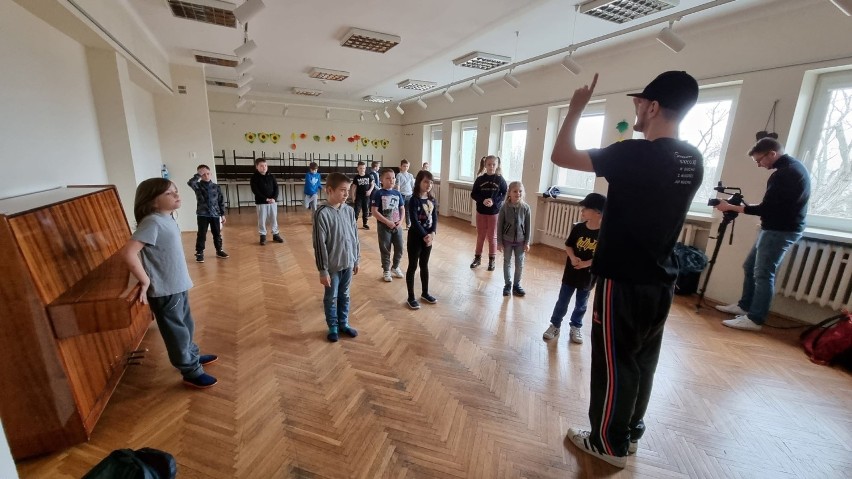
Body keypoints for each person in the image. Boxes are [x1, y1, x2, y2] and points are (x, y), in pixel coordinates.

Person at [551, 71, 703, 468]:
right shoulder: (693, 159)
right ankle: (630, 433)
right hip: (661, 279)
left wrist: (575, 110)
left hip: (623, 279)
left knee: (614, 361)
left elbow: (560, 156)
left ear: (653, 107)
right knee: (642, 360)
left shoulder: (633, 153)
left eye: (639, 102)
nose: (634, 108)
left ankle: (608, 443)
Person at [119, 178, 218, 389]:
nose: (176, 195)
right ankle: (190, 370)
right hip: (164, 289)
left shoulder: (167, 218)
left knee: (186, 325)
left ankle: (191, 356)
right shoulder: (152, 222)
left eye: (176, 191)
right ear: (153, 202)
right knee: (177, 332)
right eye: (169, 193)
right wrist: (145, 281)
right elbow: (128, 253)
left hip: (177, 285)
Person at [714, 137, 810, 331]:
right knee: (750, 267)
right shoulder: (792, 169)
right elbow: (774, 206)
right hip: (774, 228)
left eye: (759, 160)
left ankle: (755, 318)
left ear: (772, 154)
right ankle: (745, 306)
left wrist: (731, 207)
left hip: (780, 231)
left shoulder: (786, 174)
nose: (759, 165)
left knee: (763, 274)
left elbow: (766, 209)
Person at [543, 192, 605, 344]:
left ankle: (576, 326)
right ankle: (555, 325)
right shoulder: (578, 228)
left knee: (581, 304)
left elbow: (602, 256)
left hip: (587, 276)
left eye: (586, 208)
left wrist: (585, 264)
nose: (582, 211)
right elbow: (568, 245)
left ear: (597, 212)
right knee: (562, 301)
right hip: (571, 274)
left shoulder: (604, 234)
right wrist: (572, 257)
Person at [312, 172, 360, 343]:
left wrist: (356, 259)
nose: (347, 194)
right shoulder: (321, 213)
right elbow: (319, 244)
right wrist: (322, 270)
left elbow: (355, 236)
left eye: (348, 190)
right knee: (331, 297)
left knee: (345, 295)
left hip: (348, 263)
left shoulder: (349, 210)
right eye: (342, 190)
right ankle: (332, 326)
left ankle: (343, 323)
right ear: (329, 190)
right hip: (332, 267)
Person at [405, 170, 438, 310]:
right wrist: (425, 235)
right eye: (426, 182)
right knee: (413, 266)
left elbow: (435, 218)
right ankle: (411, 297)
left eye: (431, 182)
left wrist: (433, 234)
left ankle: (425, 293)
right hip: (416, 238)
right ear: (419, 182)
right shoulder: (413, 200)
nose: (429, 185)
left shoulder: (432, 200)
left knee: (424, 265)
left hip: (428, 238)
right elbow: (414, 221)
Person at [469, 155, 507, 271]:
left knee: (492, 237)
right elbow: (473, 194)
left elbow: (504, 194)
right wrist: (483, 200)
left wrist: (494, 201)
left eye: (493, 164)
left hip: (494, 212)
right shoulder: (480, 179)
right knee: (481, 236)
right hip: (481, 211)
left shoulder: (500, 180)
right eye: (489, 164)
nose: (491, 166)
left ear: (497, 165)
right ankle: (477, 258)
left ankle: (492, 260)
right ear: (485, 165)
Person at [371, 168, 406, 283]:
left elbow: (402, 208)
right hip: (384, 227)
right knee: (385, 249)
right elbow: (374, 211)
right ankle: (386, 269)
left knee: (400, 247)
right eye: (388, 178)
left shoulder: (397, 193)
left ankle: (395, 267)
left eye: (393, 178)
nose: (391, 180)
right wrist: (387, 222)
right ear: (381, 180)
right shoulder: (378, 193)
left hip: (397, 226)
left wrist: (400, 222)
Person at [497, 181, 531, 297]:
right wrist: (499, 242)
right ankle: (507, 284)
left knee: (519, 263)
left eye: (520, 191)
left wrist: (527, 242)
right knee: (507, 262)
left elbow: (528, 227)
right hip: (507, 241)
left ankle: (516, 285)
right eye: (515, 191)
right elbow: (500, 225)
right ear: (509, 193)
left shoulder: (526, 208)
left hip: (520, 242)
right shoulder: (504, 207)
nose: (518, 193)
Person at [187, 164, 228, 262]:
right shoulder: (197, 186)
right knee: (202, 234)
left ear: (211, 174)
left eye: (208, 173)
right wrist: (197, 175)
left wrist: (222, 214)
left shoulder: (216, 187)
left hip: (215, 214)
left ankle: (219, 250)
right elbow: (190, 182)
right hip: (202, 214)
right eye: (203, 174)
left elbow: (220, 201)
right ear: (200, 175)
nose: (206, 176)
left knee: (217, 233)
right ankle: (199, 253)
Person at [250, 158, 284, 245]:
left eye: (265, 165)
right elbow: (255, 190)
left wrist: (274, 198)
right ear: (257, 167)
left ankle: (275, 234)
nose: (264, 167)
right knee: (262, 219)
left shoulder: (271, 176)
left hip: (272, 202)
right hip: (261, 202)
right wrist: (265, 199)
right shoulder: (254, 177)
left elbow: (276, 188)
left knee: (273, 218)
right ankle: (263, 236)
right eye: (261, 166)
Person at [350, 161, 374, 229]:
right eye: (360, 168)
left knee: (366, 210)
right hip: (359, 196)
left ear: (365, 168)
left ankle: (365, 223)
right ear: (357, 168)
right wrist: (353, 196)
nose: (362, 169)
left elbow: (372, 184)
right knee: (356, 210)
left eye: (363, 168)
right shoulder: (356, 177)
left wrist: (370, 191)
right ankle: (354, 223)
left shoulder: (368, 176)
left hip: (366, 197)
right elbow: (353, 187)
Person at [394, 159, 415, 228]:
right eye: (404, 166)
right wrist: (398, 195)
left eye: (407, 166)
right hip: (402, 195)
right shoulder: (399, 175)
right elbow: (398, 186)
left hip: (409, 195)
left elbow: (412, 185)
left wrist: (414, 193)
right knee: (400, 210)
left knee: (408, 211)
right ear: (401, 166)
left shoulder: (410, 175)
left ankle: (408, 224)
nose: (405, 167)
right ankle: (398, 223)